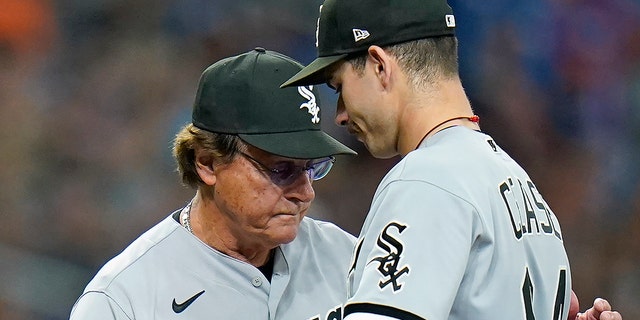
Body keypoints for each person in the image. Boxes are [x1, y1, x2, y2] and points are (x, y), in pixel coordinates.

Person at [281, 0, 622, 319]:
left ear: (380, 66)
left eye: (339, 85)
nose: (340, 114)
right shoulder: (520, 184)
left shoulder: (427, 178)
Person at [69, 47, 359, 319]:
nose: (305, 192)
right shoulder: (124, 299)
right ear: (208, 162)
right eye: (281, 169)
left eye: (312, 168)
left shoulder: (348, 258)